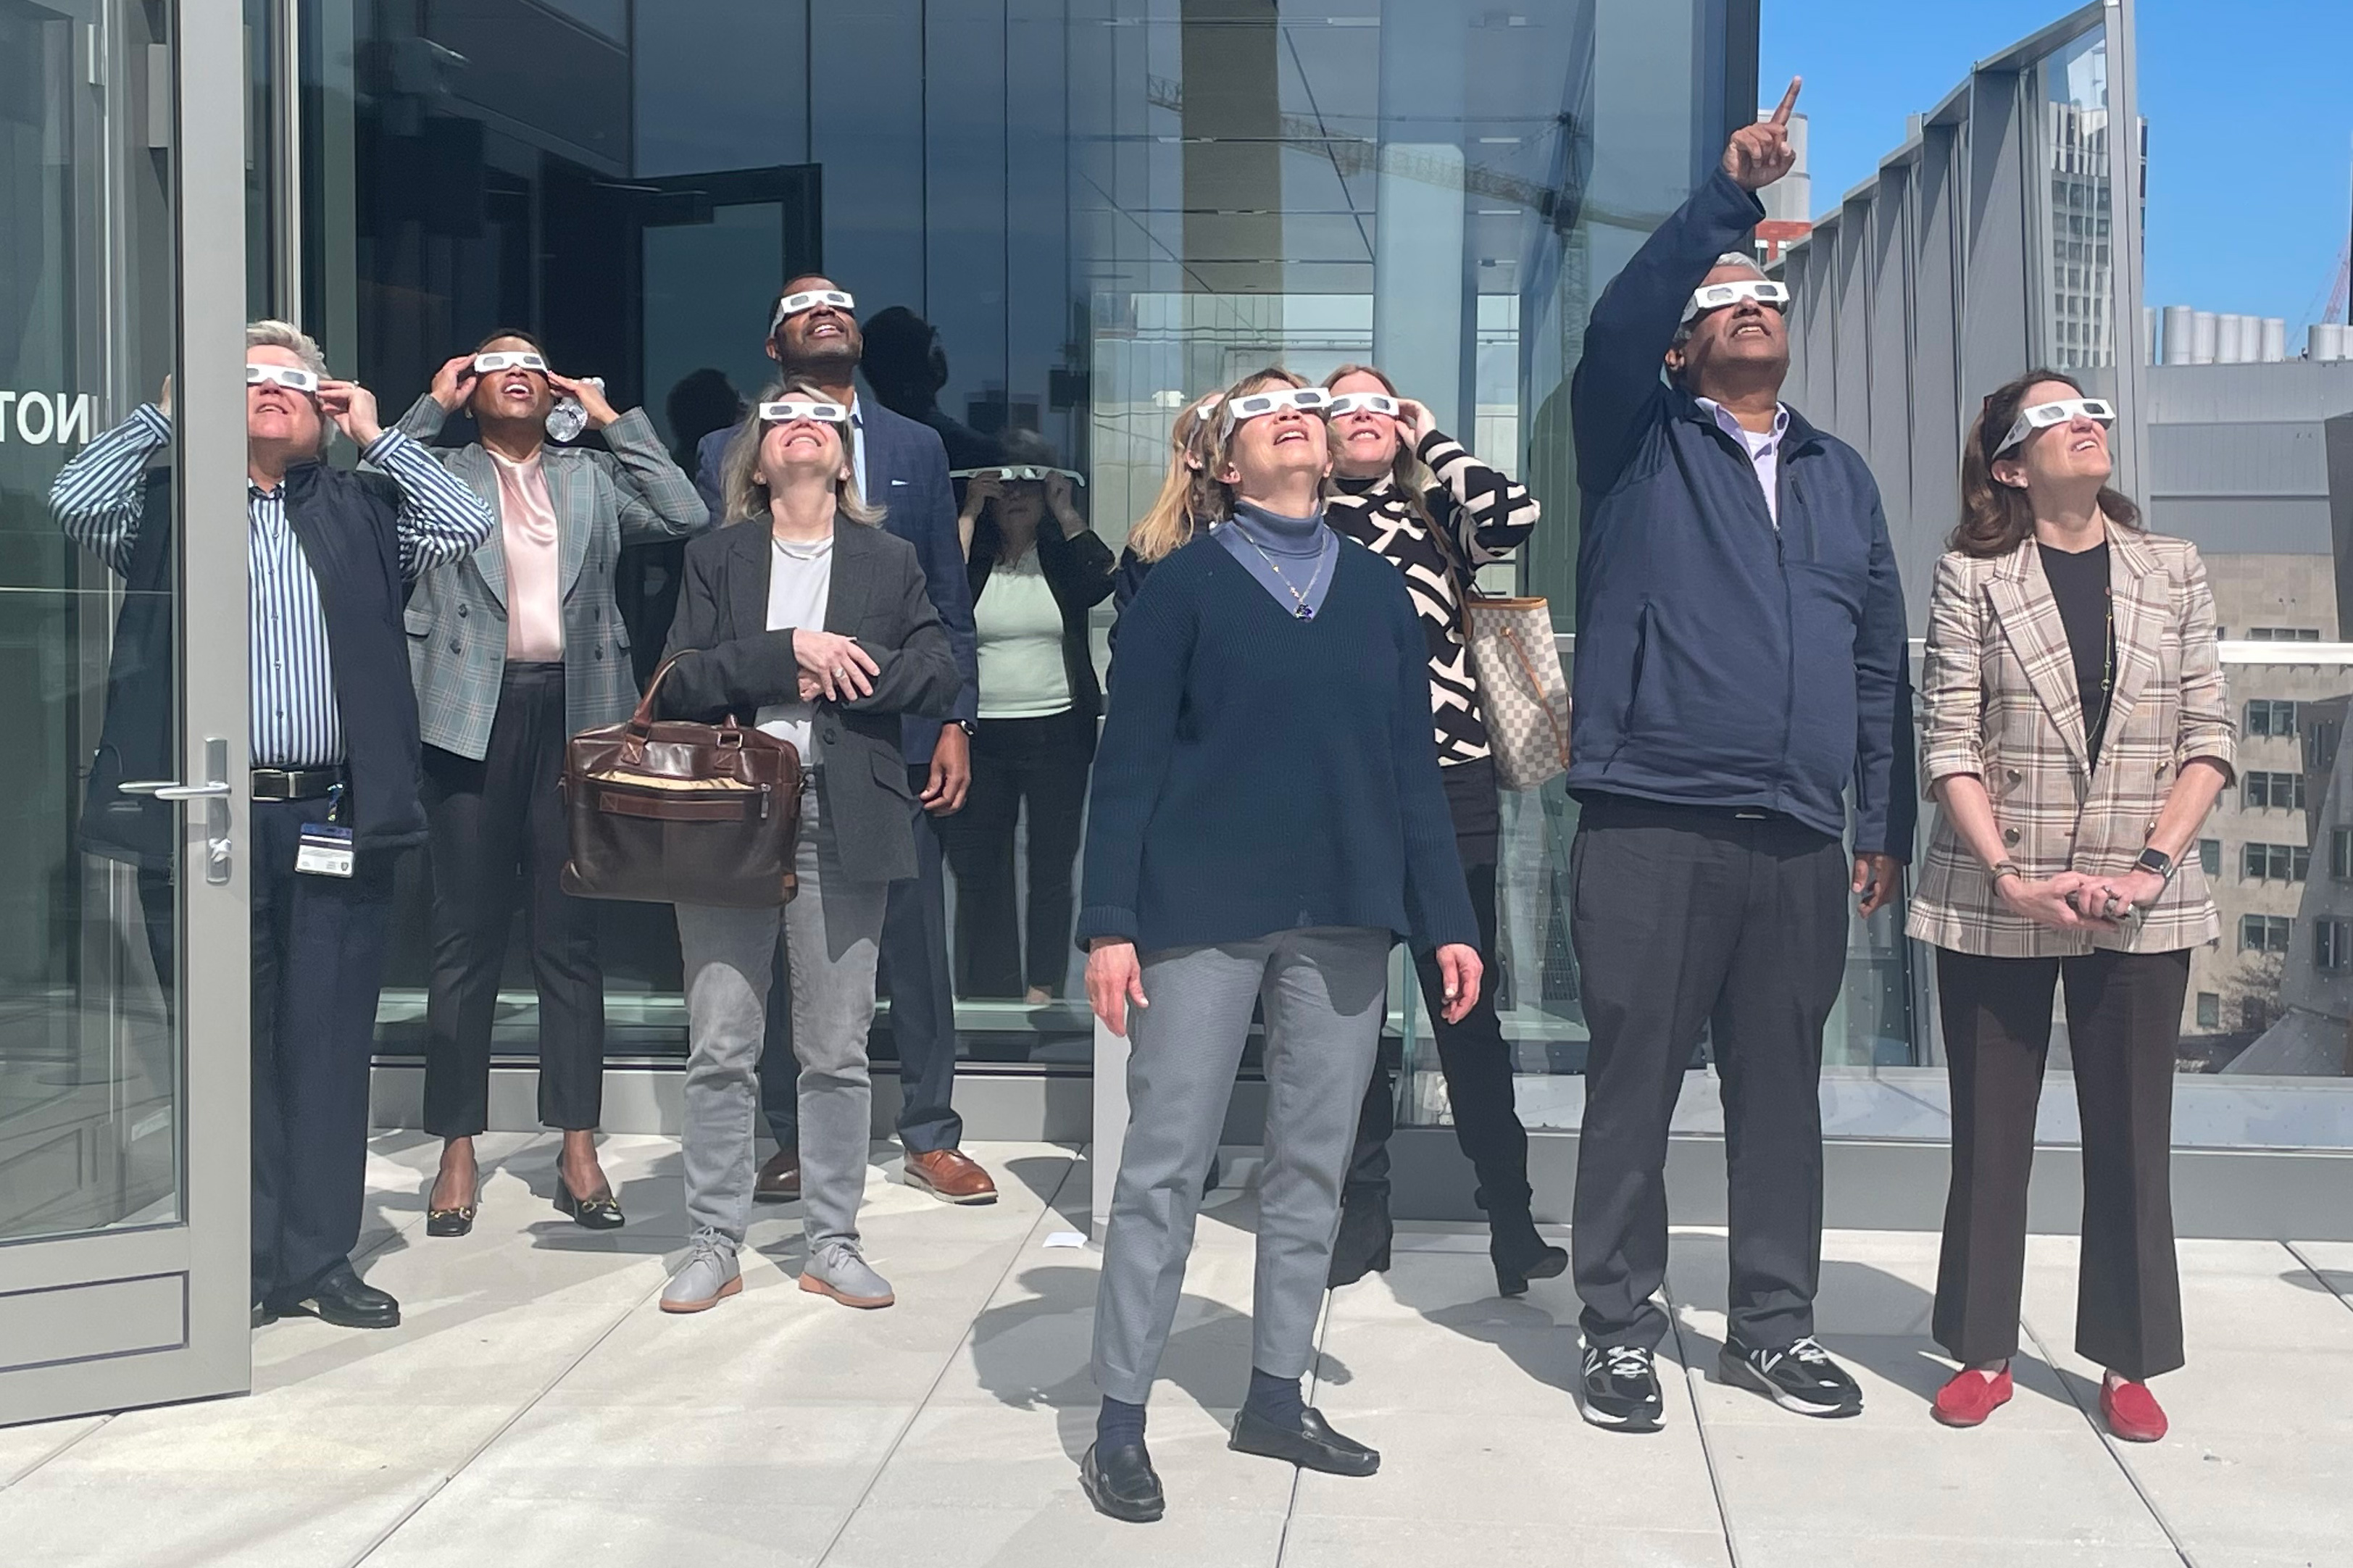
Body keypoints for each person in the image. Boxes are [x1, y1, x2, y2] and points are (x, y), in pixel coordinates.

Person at [1564, 79, 1915, 1430]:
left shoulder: (1837, 474)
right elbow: (1611, 326)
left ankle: (1773, 1321)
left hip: (1798, 829)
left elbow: (1876, 653)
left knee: (1780, 1091)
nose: (1748, 306)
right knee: (1633, 1080)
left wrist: (1875, 815)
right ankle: (1616, 1325)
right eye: (1719, 304)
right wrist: (1730, 197)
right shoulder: (1633, 442)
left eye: (1762, 297)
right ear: (1680, 348)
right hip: (1651, 812)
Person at [1075, 366, 1483, 1523]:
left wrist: (1444, 920)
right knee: (1165, 1165)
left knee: (1308, 1168)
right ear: (1219, 462)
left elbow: (1413, 773)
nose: (1296, 412)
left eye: (1305, 402)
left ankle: (1273, 1393)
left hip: (1346, 917)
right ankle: (1118, 1419)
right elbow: (1127, 771)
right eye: (1264, 411)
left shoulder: (1376, 594)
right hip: (1197, 916)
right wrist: (1109, 923)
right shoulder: (1179, 587)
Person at [51, 320, 496, 1330]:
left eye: (295, 382)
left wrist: (379, 435)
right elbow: (75, 497)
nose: (273, 391)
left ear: (325, 410)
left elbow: (466, 524)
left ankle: (315, 1260)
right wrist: (169, 410)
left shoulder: (363, 509)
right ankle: (239, 1257)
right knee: (228, 1046)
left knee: (329, 1043)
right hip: (204, 820)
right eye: (248, 380)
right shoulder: (169, 511)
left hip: (331, 813)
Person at [1908, 370, 2233, 1441]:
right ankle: (1982, 1349)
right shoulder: (1970, 575)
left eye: (2087, 408)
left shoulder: (2171, 569)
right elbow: (1947, 741)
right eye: (2051, 418)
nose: (2081, 423)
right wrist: (2008, 872)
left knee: (2132, 1137)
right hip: (1998, 889)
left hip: (2143, 896)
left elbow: (2206, 735)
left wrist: (2148, 864)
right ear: (2009, 463)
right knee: (1988, 1136)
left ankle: (2128, 1360)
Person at [656, 384, 962, 1314]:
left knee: (835, 1046)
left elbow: (936, 669)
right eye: (782, 417)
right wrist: (788, 650)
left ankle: (832, 1238)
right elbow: (676, 679)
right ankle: (714, 1237)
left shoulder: (889, 557)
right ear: (756, 459)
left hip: (846, 811)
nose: (802, 424)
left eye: (821, 421)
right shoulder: (716, 556)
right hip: (731, 813)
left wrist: (847, 670)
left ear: (841, 459)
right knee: (720, 1041)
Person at [395, 330, 708, 1238]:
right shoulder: (437, 467)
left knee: (570, 939)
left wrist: (611, 419)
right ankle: (457, 1144)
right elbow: (374, 493)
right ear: (471, 385)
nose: (519, 374)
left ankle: (578, 1143)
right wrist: (432, 404)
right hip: (466, 714)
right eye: (498, 364)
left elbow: (684, 512)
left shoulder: (589, 477)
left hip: (578, 712)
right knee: (464, 937)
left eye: (533, 364)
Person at [692, 276, 994, 1206]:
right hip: (763, 758)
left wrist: (956, 720)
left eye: (839, 301)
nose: (826, 310)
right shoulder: (722, 451)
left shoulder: (915, 444)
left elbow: (944, 597)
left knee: (914, 946)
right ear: (774, 345)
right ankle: (789, 1135)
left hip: (890, 737)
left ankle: (931, 1131)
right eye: (799, 306)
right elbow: (715, 607)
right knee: (783, 954)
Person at [1316, 362, 1562, 1298]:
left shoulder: (1432, 522)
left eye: (1381, 405)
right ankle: (1361, 1214)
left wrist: (1432, 439)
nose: (1365, 419)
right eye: (1345, 408)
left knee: (1468, 1015)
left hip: (1448, 784)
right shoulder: (1299, 521)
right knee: (1349, 1019)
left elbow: (1514, 517)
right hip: (1337, 792)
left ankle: (1509, 1217)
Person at [943, 433, 1116, 1001]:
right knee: (981, 869)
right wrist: (968, 509)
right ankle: (988, 991)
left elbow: (1101, 579)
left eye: (1029, 485)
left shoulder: (1059, 559)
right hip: (979, 733)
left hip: (1057, 732)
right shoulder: (975, 560)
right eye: (1005, 485)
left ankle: (1043, 987)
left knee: (1051, 867)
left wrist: (1066, 509)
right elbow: (939, 589)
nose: (1016, 495)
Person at [1109, 393, 1221, 638]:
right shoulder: (1154, 547)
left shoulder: (1291, 536)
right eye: (1217, 417)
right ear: (1193, 456)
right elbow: (1131, 647)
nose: (1231, 428)